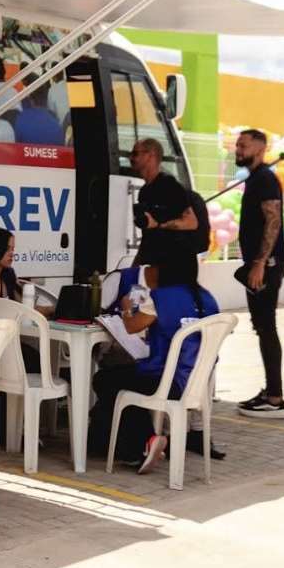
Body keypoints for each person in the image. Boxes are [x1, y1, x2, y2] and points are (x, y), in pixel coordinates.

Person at [88, 261, 221, 474]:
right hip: (196, 383)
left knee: (106, 380)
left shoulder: (161, 297)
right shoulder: (208, 298)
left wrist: (125, 310)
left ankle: (146, 442)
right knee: (125, 382)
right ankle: (127, 449)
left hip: (167, 380)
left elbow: (132, 327)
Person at [233, 128, 284, 417]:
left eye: (243, 145)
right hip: (259, 263)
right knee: (261, 325)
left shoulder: (266, 179)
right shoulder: (256, 178)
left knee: (266, 326)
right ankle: (271, 391)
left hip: (266, 264)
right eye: (237, 145)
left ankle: (275, 397)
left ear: (259, 149)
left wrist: (259, 263)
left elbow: (273, 222)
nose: (237, 149)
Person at [130, 138, 201, 284]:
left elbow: (191, 222)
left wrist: (158, 224)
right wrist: (136, 266)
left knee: (173, 304)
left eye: (135, 153)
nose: (131, 158)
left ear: (151, 156)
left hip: (176, 261)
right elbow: (148, 233)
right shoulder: (144, 191)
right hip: (156, 262)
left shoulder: (169, 185)